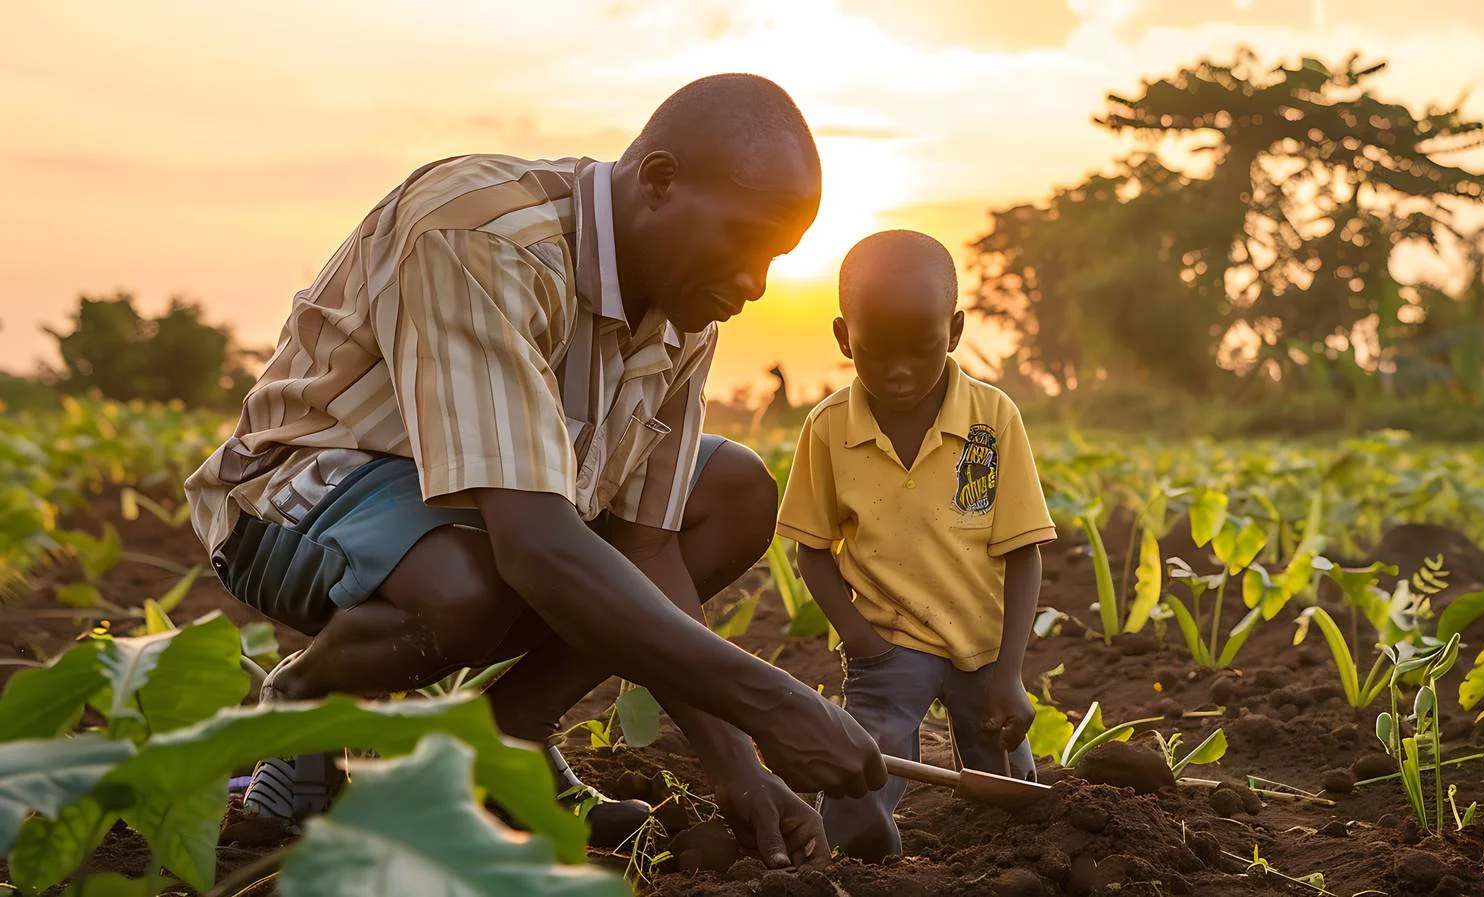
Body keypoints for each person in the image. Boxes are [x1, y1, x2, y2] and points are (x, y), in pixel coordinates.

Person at [184, 73, 885, 868]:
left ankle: (497, 745)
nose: (756, 283)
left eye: (776, 258)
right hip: (291, 496)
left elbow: (648, 551)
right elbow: (537, 546)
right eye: (745, 241)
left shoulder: (683, 308)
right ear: (659, 182)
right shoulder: (483, 231)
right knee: (467, 584)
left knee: (731, 493)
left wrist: (739, 768)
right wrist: (773, 701)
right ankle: (304, 708)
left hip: (479, 520)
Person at [774, 230, 1056, 861]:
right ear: (845, 338)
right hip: (887, 642)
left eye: (921, 351)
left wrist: (1010, 671)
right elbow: (812, 552)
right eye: (876, 354)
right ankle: (856, 858)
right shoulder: (827, 430)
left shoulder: (992, 420)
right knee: (868, 759)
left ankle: (1012, 860)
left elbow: (1023, 550)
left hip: (983, 646)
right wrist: (861, 640)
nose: (899, 373)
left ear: (953, 331)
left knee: (1004, 774)